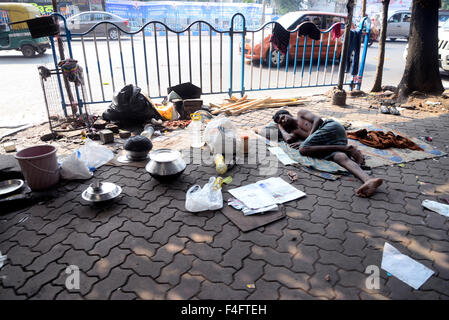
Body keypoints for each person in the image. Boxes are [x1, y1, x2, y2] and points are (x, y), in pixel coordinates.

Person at [273, 109, 383, 197]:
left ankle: (347, 148)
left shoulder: (301, 114)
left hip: (331, 128)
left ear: (288, 113)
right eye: (280, 121)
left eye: (283, 117)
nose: (283, 121)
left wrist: (307, 141)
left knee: (303, 149)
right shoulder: (293, 132)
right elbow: (288, 140)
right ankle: (368, 180)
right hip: (330, 142)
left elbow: (318, 120)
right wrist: (280, 127)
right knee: (340, 157)